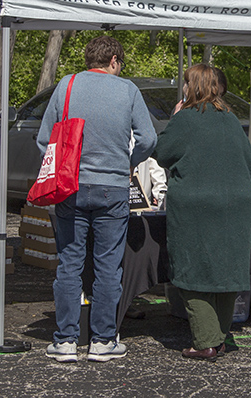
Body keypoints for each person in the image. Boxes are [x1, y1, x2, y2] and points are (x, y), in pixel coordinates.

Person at [39, 35, 156, 363]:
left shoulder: (67, 85)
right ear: (115, 61)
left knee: (69, 263)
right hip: (113, 188)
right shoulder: (128, 90)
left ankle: (65, 340)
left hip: (71, 187)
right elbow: (148, 138)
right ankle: (103, 340)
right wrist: (129, 161)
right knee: (108, 265)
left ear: (89, 59)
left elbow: (44, 139)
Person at [154, 63, 251, 361]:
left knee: (193, 270)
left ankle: (206, 341)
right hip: (236, 205)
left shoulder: (185, 118)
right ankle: (220, 336)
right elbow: (250, 160)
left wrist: (174, 117)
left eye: (186, 83)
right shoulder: (230, 119)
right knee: (227, 270)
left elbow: (162, 153)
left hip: (198, 206)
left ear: (194, 87)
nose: (184, 88)